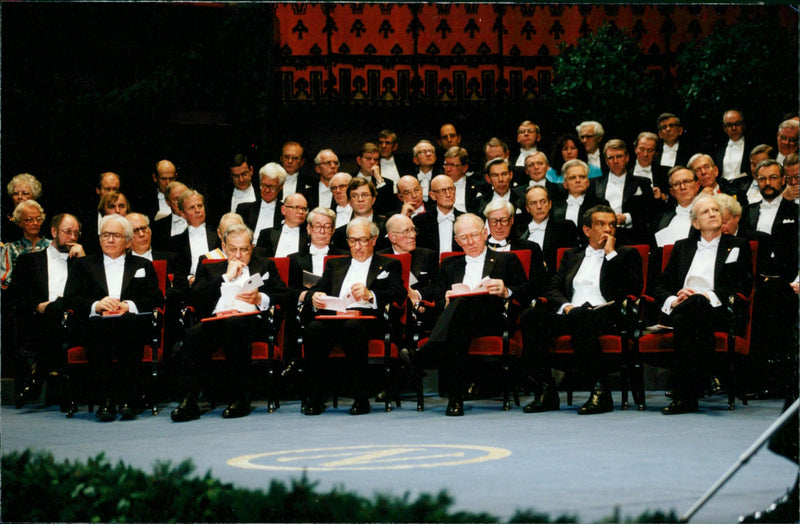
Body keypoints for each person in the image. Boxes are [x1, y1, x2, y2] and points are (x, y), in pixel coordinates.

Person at [519, 205, 643, 415]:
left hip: (608, 313)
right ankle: (546, 391)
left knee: (582, 316)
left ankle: (600, 391)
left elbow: (630, 289)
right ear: (587, 230)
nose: (608, 229)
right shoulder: (571, 255)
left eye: (612, 224)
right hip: (573, 313)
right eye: (601, 224)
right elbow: (552, 287)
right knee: (531, 316)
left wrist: (611, 254)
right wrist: (566, 306)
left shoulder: (627, 254)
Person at [405, 213, 529, 416]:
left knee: (461, 307)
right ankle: (455, 399)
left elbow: (527, 290)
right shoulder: (449, 264)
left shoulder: (506, 259)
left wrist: (506, 290)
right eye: (464, 238)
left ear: (485, 233)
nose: (470, 242)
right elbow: (436, 297)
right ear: (456, 241)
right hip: (459, 323)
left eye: (474, 235)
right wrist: (444, 300)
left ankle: (427, 352)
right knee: (458, 322)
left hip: (493, 319)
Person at [170, 224, 289, 421]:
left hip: (250, 322)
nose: (238, 255)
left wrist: (261, 299)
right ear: (224, 247)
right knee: (193, 334)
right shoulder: (210, 267)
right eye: (233, 249)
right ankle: (189, 402)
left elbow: (283, 295)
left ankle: (239, 399)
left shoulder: (265, 265)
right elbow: (196, 299)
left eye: (244, 249)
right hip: (215, 321)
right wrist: (225, 277)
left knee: (234, 325)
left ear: (252, 248)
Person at [650, 194, 753, 414]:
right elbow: (659, 286)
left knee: (696, 304)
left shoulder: (737, 245)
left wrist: (707, 296)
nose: (713, 213)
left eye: (715, 210)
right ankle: (705, 376)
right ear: (695, 223)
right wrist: (674, 300)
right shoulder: (681, 247)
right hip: (683, 308)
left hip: (718, 310)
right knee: (691, 309)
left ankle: (684, 394)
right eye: (706, 212)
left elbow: (742, 285)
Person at [62, 214, 163, 422]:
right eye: (105, 235)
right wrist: (96, 305)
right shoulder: (82, 265)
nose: (109, 240)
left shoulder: (143, 265)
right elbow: (70, 300)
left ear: (127, 241)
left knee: (126, 325)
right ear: (99, 239)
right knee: (101, 329)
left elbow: (156, 299)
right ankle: (105, 401)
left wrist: (129, 305)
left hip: (131, 324)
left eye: (115, 235)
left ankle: (127, 400)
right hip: (96, 325)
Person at [302, 217, 406, 416]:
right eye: (352, 241)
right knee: (314, 329)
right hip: (335, 315)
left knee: (353, 328)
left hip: (368, 318)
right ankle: (315, 397)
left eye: (363, 240)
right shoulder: (335, 265)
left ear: (374, 240)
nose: (357, 246)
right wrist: (314, 296)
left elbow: (398, 293)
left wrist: (371, 295)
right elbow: (318, 289)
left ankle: (361, 397)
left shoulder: (389, 264)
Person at [9, 213, 85, 408]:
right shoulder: (30, 261)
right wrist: (37, 305)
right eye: (68, 232)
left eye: (76, 233)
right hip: (39, 321)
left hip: (76, 320)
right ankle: (59, 388)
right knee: (54, 311)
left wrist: (84, 262)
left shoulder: (82, 261)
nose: (73, 237)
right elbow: (15, 296)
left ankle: (37, 378)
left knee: (60, 306)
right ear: (53, 232)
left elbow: (92, 293)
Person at [594, 139, 654, 245]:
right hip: (602, 236)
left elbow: (648, 210)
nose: (615, 161)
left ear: (627, 158)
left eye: (619, 156)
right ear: (606, 161)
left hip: (631, 237)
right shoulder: (595, 183)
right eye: (611, 158)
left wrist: (627, 217)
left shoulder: (642, 182)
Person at [483, 200, 547, 288]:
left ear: (511, 220)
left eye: (504, 220)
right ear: (488, 222)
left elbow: (539, 284)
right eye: (493, 221)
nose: (498, 226)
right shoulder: (480, 247)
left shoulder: (530, 248)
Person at [517, 186, 581, 273]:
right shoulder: (518, 231)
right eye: (533, 203)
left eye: (543, 202)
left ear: (550, 204)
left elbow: (573, 260)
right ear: (527, 208)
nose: (539, 206)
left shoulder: (565, 227)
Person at [380, 213, 438, 294]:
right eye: (406, 231)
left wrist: (418, 295)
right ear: (392, 237)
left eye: (413, 230)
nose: (413, 235)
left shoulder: (428, 256)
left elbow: (437, 287)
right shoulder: (380, 258)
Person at [172, 189, 219, 284]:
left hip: (216, 282)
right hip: (190, 288)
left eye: (200, 206)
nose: (198, 210)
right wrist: (189, 279)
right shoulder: (176, 242)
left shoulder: (218, 234)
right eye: (192, 207)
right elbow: (178, 272)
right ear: (182, 213)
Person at [1, 200, 50, 289]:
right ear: (20, 222)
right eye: (29, 220)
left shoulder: (52, 246)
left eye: (38, 219)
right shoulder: (11, 248)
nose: (35, 223)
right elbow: (4, 280)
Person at [330, 178, 388, 251]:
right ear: (350, 202)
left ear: (373, 199)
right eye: (354, 196)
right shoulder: (340, 234)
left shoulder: (386, 227)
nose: (360, 199)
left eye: (365, 195)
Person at [236, 162, 286, 245]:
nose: (266, 190)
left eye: (272, 187)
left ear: (281, 187)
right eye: (263, 185)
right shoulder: (244, 209)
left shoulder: (285, 211)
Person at [413, 174, 464, 257]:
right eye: (443, 190)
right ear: (433, 196)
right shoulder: (420, 221)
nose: (448, 194)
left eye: (450, 189)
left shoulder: (466, 220)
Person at [651, 166, 701, 247]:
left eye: (686, 181)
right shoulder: (661, 220)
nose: (682, 187)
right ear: (672, 192)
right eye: (677, 184)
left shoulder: (708, 213)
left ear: (697, 185)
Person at [551, 159, 609, 228]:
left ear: (588, 182)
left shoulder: (600, 204)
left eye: (582, 177)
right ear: (565, 184)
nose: (578, 180)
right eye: (573, 178)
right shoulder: (555, 206)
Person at [255, 193, 310, 257]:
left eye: (304, 209)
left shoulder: (309, 235)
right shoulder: (266, 234)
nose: (301, 212)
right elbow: (259, 260)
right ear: (284, 210)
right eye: (296, 207)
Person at [714, 110, 751, 189]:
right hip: (722, 189)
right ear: (725, 129)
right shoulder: (718, 148)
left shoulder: (751, 146)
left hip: (745, 188)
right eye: (729, 125)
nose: (734, 128)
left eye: (737, 124)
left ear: (743, 125)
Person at [4, 173, 42, 243]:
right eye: (15, 193)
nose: (19, 197)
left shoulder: (40, 220)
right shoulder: (5, 220)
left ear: (34, 196)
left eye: (25, 193)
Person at [150, 181, 189, 250]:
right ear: (167, 202)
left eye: (184, 197)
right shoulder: (157, 227)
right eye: (176, 199)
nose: (181, 202)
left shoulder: (205, 222)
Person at [443, 146, 482, 213]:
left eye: (452, 165)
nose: (448, 169)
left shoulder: (476, 187)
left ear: (464, 168)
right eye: (446, 164)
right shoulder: (438, 186)